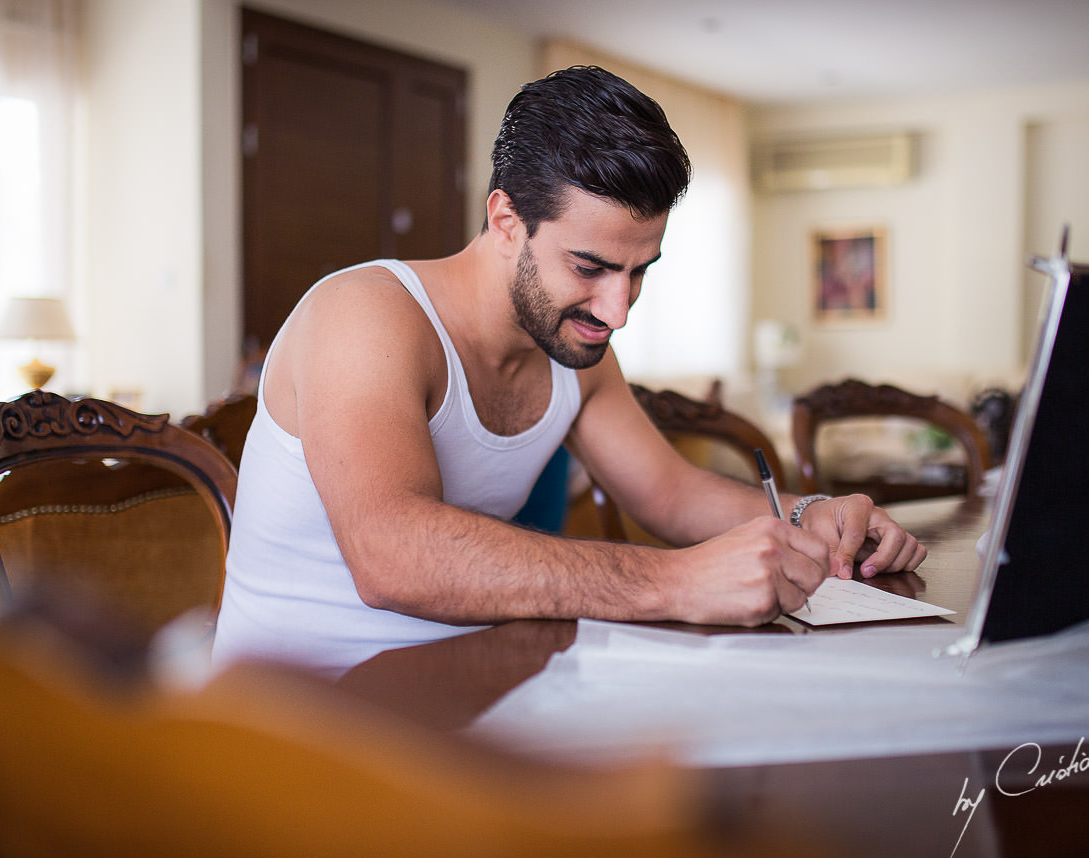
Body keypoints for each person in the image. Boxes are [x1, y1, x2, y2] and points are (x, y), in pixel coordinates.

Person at [211, 66, 926, 674]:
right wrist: (673, 581)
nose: (617, 311)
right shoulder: (367, 315)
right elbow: (392, 557)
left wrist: (814, 517)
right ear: (505, 220)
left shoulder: (574, 347)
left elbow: (671, 496)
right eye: (590, 267)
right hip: (297, 730)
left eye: (639, 271)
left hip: (467, 689)